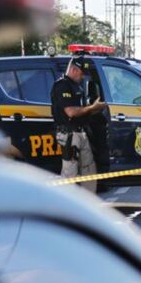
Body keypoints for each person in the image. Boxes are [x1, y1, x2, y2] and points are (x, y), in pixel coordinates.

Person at [51, 57, 107, 192]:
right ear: (74, 69)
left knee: (88, 171)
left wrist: (94, 111)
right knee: (70, 174)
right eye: (82, 73)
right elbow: (71, 112)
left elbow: (81, 110)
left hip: (81, 132)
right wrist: (92, 108)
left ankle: (88, 205)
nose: (83, 77)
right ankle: (66, 210)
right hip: (69, 135)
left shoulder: (76, 85)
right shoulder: (62, 85)